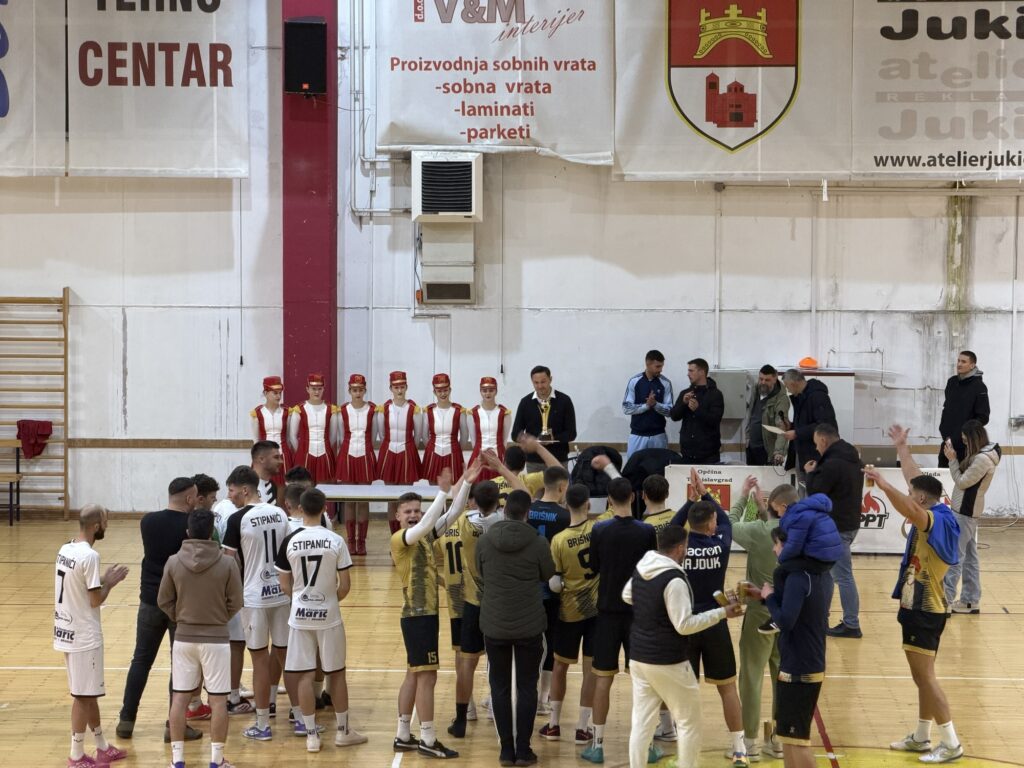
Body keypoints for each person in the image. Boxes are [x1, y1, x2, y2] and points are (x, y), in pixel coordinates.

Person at [869, 426, 962, 765]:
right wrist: (902, 447)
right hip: (925, 605)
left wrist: (883, 485)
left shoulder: (931, 521)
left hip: (924, 608)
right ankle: (923, 736)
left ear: (921, 499)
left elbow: (911, 509)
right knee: (921, 676)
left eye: (912, 492)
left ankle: (950, 742)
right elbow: (915, 480)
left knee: (925, 677)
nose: (909, 493)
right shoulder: (941, 512)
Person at [623, 524, 741, 768]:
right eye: (685, 546)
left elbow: (627, 595)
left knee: (641, 722)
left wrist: (651, 608)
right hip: (668, 660)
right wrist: (721, 613)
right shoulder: (674, 579)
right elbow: (684, 625)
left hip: (638, 658)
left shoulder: (643, 566)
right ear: (679, 548)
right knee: (688, 722)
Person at [391, 465, 476, 759]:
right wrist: (442, 492)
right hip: (417, 616)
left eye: (416, 510)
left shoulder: (425, 537)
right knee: (428, 677)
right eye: (407, 512)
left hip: (423, 616)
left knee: (414, 675)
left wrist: (466, 483)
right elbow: (428, 524)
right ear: (397, 517)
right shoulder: (401, 539)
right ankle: (427, 738)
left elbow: (452, 515)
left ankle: (403, 734)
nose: (413, 515)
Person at [275, 487, 367, 752]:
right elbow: (345, 585)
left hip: (299, 617)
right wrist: (326, 602)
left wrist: (303, 602)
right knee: (335, 674)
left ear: (300, 508)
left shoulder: (290, 541)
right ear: (326, 508)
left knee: (303, 675)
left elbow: (284, 584)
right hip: (329, 617)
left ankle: (312, 736)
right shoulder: (335, 540)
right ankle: (343, 732)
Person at [670, 470, 748, 767]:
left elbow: (673, 528)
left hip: (685, 623)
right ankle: (739, 749)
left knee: (682, 692)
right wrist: (703, 493)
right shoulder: (721, 543)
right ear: (711, 523)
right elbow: (726, 520)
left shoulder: (679, 549)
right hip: (716, 620)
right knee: (727, 687)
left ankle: (684, 750)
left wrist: (688, 503)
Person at [117, 477, 202, 742]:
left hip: (150, 600)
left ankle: (126, 720)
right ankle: (173, 726)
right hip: (181, 604)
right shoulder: (191, 525)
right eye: (196, 498)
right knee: (181, 665)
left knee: (141, 660)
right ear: (189, 499)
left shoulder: (147, 521)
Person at [476, 489, 557, 767]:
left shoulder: (485, 541)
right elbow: (547, 575)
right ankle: (524, 749)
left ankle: (505, 751)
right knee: (527, 687)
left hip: (494, 624)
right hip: (530, 625)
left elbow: (480, 572)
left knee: (498, 687)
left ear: (504, 509)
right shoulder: (538, 542)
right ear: (527, 513)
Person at [159, 508, 243, 768]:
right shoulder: (228, 563)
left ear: (188, 532)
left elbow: (164, 600)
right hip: (217, 640)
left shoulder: (173, 561)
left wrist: (182, 617)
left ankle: (177, 760)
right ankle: (217, 760)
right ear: (212, 534)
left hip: (184, 637)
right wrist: (218, 618)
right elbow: (236, 602)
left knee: (180, 697)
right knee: (218, 700)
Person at [583, 477, 657, 765]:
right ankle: (648, 745)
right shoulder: (647, 530)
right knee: (643, 682)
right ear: (635, 496)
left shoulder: (599, 529)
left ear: (609, 501)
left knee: (603, 679)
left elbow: (594, 567)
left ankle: (598, 745)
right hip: (639, 614)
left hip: (607, 613)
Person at [745, 528, 831, 768]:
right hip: (803, 661)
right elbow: (798, 608)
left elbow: (785, 620)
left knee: (797, 741)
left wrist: (770, 597)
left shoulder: (797, 577)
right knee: (789, 739)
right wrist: (763, 597)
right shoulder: (817, 574)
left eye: (777, 544)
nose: (774, 549)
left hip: (800, 667)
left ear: (790, 546)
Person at [220, 465, 293, 741]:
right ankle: (299, 718)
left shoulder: (238, 519)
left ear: (245, 489)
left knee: (260, 661)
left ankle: (263, 725)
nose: (230, 496)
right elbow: (288, 553)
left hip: (253, 597)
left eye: (232, 490)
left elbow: (228, 563)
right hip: (282, 593)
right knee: (288, 657)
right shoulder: (280, 513)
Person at [55, 504, 130, 768]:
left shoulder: (66, 548)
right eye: (106, 520)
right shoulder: (90, 556)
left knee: (88, 693)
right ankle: (76, 756)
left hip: (66, 630)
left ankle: (101, 746)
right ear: (96, 525)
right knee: (83, 696)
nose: (108, 524)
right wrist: (110, 581)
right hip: (83, 635)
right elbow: (95, 600)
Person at [730, 478, 783, 759]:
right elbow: (771, 527)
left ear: (775, 506)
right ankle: (779, 741)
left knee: (751, 675)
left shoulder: (759, 532)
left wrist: (742, 496)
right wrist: (765, 510)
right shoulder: (799, 530)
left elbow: (730, 523)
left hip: (761, 611)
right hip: (788, 613)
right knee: (782, 676)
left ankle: (749, 742)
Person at [542, 483, 599, 745]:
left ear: (566, 504)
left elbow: (554, 583)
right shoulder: (598, 530)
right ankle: (582, 727)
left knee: (560, 667)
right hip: (596, 612)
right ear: (588, 504)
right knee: (590, 671)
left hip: (569, 612)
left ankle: (553, 724)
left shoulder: (559, 540)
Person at [448, 477, 504, 739]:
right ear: (498, 501)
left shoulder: (464, 522)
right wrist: (501, 468)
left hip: (472, 604)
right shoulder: (503, 524)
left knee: (466, 664)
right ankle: (498, 711)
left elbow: (456, 505)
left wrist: (467, 477)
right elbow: (524, 493)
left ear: (474, 501)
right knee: (499, 661)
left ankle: (462, 718)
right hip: (498, 604)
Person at [804, 423, 865, 638]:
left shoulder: (831, 464)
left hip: (836, 527)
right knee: (829, 574)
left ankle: (851, 624)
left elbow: (815, 494)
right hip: (849, 523)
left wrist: (810, 474)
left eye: (816, 444)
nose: (817, 449)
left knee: (842, 576)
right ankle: (822, 617)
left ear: (823, 440)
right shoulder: (854, 457)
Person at [941, 420, 1001, 613]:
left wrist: (952, 459)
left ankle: (945, 602)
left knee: (955, 557)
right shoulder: (982, 455)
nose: (965, 444)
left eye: (966, 441)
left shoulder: (983, 460)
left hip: (965, 512)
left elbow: (962, 482)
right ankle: (970, 600)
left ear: (974, 439)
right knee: (970, 558)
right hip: (967, 511)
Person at [527, 465, 572, 712]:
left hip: (528, 588)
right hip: (553, 589)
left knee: (530, 643)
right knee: (551, 642)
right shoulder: (565, 517)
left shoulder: (529, 510)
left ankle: (525, 692)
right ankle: (544, 698)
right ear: (562, 487)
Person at [376, 371, 424, 533]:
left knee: (407, 498)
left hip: (407, 450)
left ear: (406, 387)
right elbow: (382, 434)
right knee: (391, 499)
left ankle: (408, 535)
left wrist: (408, 448)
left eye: (402, 387)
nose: (399, 390)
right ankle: (394, 536)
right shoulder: (384, 409)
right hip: (389, 452)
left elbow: (417, 435)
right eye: (396, 387)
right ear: (391, 388)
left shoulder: (414, 408)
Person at [335, 373, 378, 555]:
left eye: (360, 390)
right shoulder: (342, 410)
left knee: (363, 501)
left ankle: (362, 541)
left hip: (365, 455)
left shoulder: (372, 410)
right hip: (347, 454)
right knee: (349, 501)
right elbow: (337, 436)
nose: (357, 393)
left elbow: (376, 433)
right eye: (354, 390)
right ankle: (350, 540)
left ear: (365, 390)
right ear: (349, 391)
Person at [511, 365, 577, 470]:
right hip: (534, 461)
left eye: (543, 382)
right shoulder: (525, 402)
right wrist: (525, 438)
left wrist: (553, 438)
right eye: (536, 383)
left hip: (558, 459)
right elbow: (515, 433)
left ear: (550, 379)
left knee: (560, 487)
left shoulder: (564, 401)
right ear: (531, 381)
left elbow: (571, 433)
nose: (540, 386)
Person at [781, 370, 837, 480]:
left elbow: (824, 425)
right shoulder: (801, 397)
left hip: (815, 454)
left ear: (793, 384)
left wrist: (796, 433)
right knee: (803, 488)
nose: (788, 390)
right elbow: (805, 424)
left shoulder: (818, 396)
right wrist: (791, 426)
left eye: (787, 387)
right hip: (802, 453)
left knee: (812, 490)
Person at [938, 351, 990, 468]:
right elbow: (947, 409)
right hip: (947, 443)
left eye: (963, 361)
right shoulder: (952, 382)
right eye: (958, 361)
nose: (959, 364)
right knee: (941, 482)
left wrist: (966, 434)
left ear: (972, 365)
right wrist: (943, 430)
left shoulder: (979, 387)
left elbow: (983, 417)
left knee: (962, 483)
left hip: (967, 446)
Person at [622, 350, 675, 461]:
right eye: (658, 366)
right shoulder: (634, 381)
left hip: (658, 435)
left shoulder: (666, 383)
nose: (661, 370)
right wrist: (646, 406)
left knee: (660, 470)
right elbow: (626, 408)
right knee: (633, 471)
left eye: (662, 366)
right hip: (637, 435)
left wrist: (655, 404)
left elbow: (670, 411)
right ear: (648, 364)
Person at [670, 358, 724, 464]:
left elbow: (715, 420)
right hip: (687, 453)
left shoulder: (715, 394)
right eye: (688, 371)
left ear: (702, 372)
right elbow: (674, 416)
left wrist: (698, 410)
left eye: (691, 371)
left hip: (709, 456)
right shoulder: (685, 393)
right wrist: (683, 404)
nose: (688, 374)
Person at [288, 373, 338, 485]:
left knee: (324, 490)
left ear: (323, 389)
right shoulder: (299, 409)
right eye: (313, 388)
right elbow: (292, 436)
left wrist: (325, 447)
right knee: (304, 489)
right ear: (307, 389)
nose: (316, 392)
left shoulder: (331, 409)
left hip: (324, 454)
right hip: (304, 454)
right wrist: (301, 450)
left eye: (319, 389)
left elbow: (333, 437)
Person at [465, 377, 512, 480]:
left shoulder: (504, 413)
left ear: (496, 391)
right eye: (484, 390)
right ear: (480, 392)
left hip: (498, 456)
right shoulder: (472, 413)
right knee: (477, 489)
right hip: (479, 456)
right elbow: (474, 441)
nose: (488, 393)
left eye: (491, 390)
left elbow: (504, 440)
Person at [422, 373, 465, 482]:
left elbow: (464, 437)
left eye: (445, 390)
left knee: (453, 491)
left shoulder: (459, 410)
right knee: (432, 491)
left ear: (450, 390)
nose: (443, 394)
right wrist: (432, 448)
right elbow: (424, 436)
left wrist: (455, 449)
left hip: (453, 454)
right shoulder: (429, 411)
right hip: (433, 454)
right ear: (434, 392)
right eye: (439, 391)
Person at [251, 376, 292, 487]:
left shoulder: (287, 412)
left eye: (280, 393)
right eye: (275, 393)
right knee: (262, 488)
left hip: (283, 456)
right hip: (264, 458)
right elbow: (256, 440)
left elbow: (288, 438)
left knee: (284, 489)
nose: (278, 396)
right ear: (265, 393)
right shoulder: (257, 413)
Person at [746, 365, 790, 466]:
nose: (763, 382)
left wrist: (779, 452)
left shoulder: (781, 399)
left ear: (775, 379)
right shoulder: (756, 390)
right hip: (751, 447)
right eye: (761, 379)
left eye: (767, 380)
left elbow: (782, 426)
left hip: (768, 451)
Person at [251, 440, 284, 506]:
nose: (281, 461)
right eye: (276, 457)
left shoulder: (274, 486)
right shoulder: (244, 485)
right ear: (262, 459)